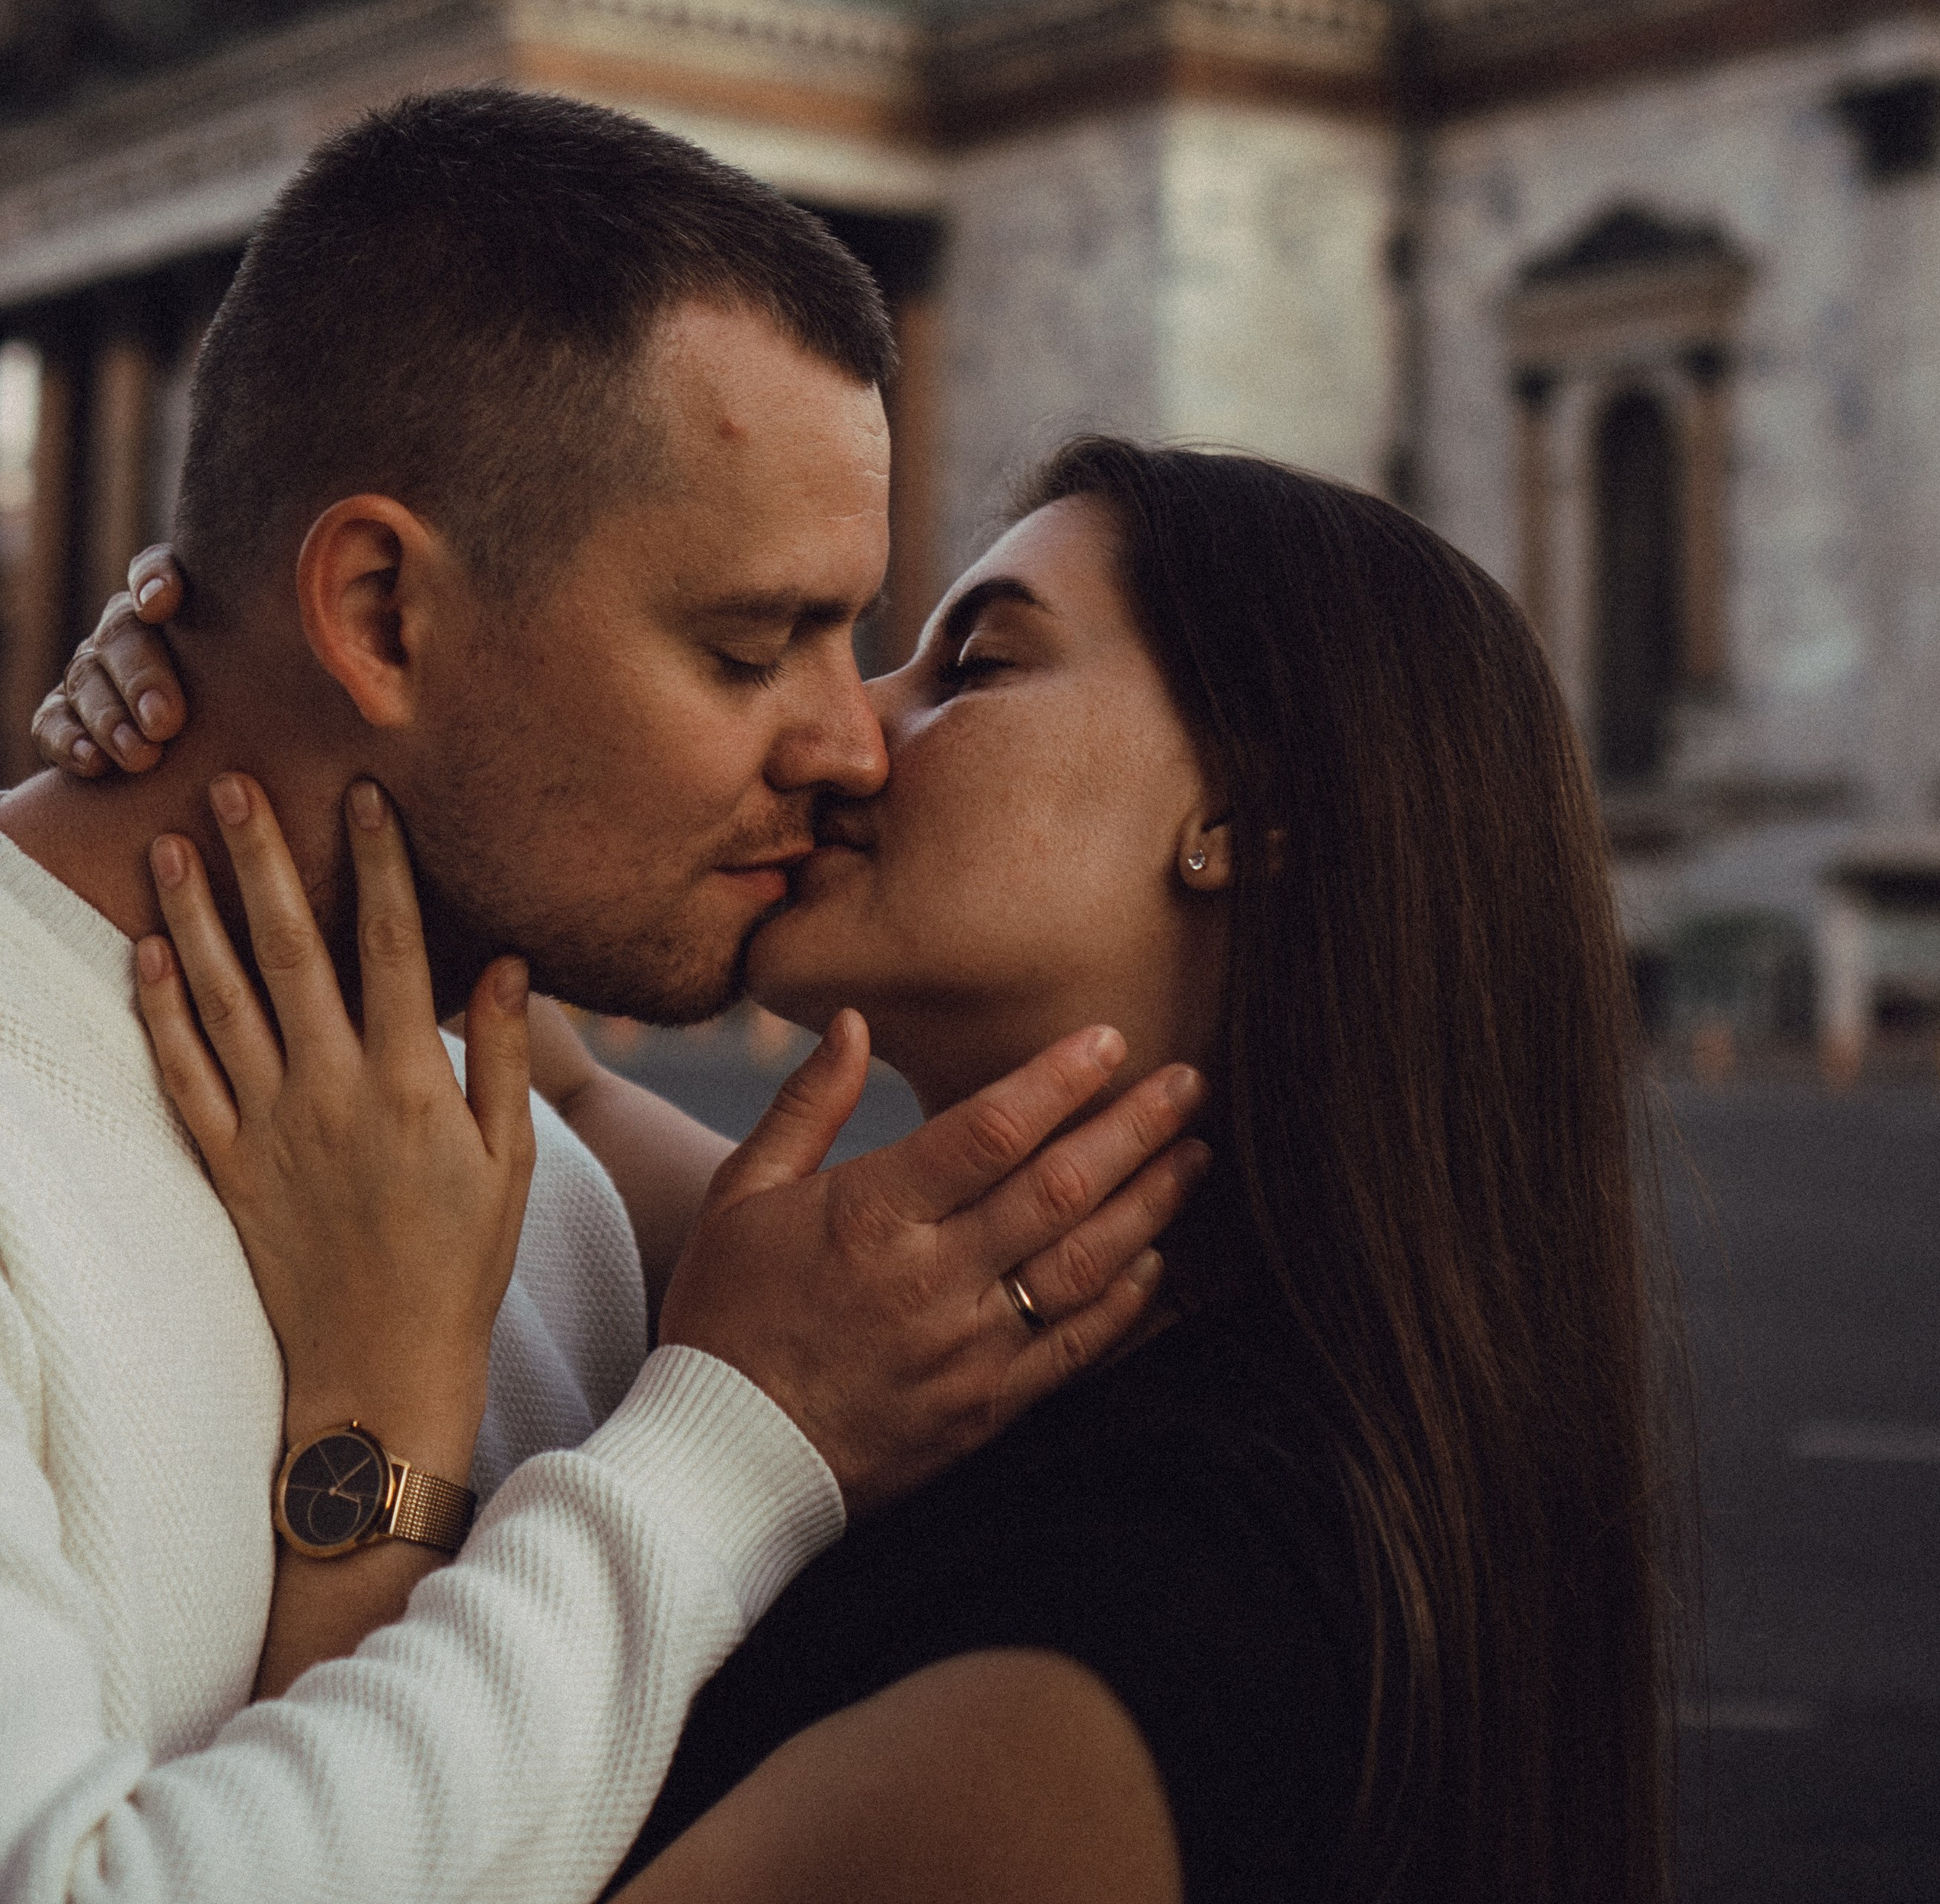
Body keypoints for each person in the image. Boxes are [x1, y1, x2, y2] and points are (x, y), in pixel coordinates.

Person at [101, 436, 1673, 1904]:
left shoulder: (1108, 1671)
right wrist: (259, 700)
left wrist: (373, 1431)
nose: (849, 729)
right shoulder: (1004, 1331)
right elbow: (547, 1065)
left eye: (974, 663)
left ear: (1241, 818)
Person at [0, 91, 1205, 1904]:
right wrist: (731, 1451)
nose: (843, 738)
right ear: (385, 612)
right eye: (747, 647)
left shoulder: (516, 1135)